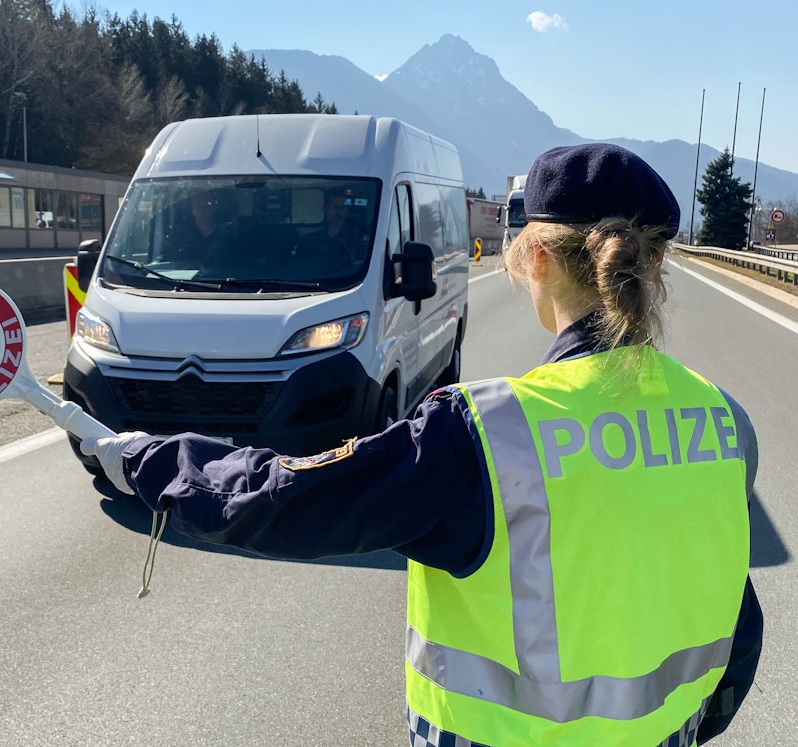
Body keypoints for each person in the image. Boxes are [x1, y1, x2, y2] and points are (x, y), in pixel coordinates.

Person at [81, 143, 762, 746]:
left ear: (541, 257)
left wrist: (146, 459)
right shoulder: (720, 421)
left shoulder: (488, 434)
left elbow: (285, 498)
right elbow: (737, 627)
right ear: (658, 260)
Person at [296, 187, 366, 267]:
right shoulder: (309, 239)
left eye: (343, 206)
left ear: (348, 211)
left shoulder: (357, 240)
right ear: (325, 209)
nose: (338, 210)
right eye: (333, 206)